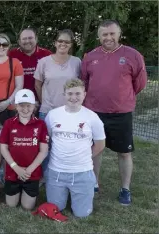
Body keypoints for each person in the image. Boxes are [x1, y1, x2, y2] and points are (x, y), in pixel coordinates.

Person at [80, 20, 147, 205]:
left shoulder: (133, 55)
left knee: (124, 153)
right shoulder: (90, 56)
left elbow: (139, 83)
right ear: (99, 36)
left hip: (121, 113)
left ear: (119, 34)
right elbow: (84, 82)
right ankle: (93, 183)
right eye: (104, 34)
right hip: (94, 113)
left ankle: (125, 189)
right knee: (95, 151)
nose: (108, 37)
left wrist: (122, 97)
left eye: (112, 34)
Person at [44, 79, 106, 218]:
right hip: (57, 171)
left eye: (78, 93)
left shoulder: (92, 117)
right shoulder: (53, 115)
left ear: (84, 94)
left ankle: (81, 192)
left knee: (82, 214)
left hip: (82, 172)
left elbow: (100, 144)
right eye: (70, 94)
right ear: (64, 95)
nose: (73, 97)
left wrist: (83, 158)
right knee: (55, 208)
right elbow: (47, 139)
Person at [33, 29, 81, 178]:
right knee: (45, 146)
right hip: (48, 111)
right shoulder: (44, 62)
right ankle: (43, 176)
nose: (63, 44)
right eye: (60, 41)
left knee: (64, 146)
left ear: (71, 44)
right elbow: (38, 85)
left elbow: (80, 86)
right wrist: (44, 102)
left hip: (70, 112)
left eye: (67, 42)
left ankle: (59, 175)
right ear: (55, 43)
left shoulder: (77, 62)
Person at [0, 89, 48, 210]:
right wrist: (16, 168)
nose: (25, 109)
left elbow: (44, 151)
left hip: (32, 173)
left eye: (28, 106)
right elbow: (3, 148)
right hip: (13, 171)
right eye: (21, 105)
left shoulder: (41, 124)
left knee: (27, 207)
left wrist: (29, 170)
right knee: (11, 204)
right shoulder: (9, 123)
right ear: (16, 106)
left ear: (34, 106)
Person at [9, 27, 52, 106]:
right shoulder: (11, 55)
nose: (27, 41)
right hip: (18, 102)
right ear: (19, 41)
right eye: (24, 39)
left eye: (30, 38)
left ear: (36, 39)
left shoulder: (47, 55)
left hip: (42, 102)